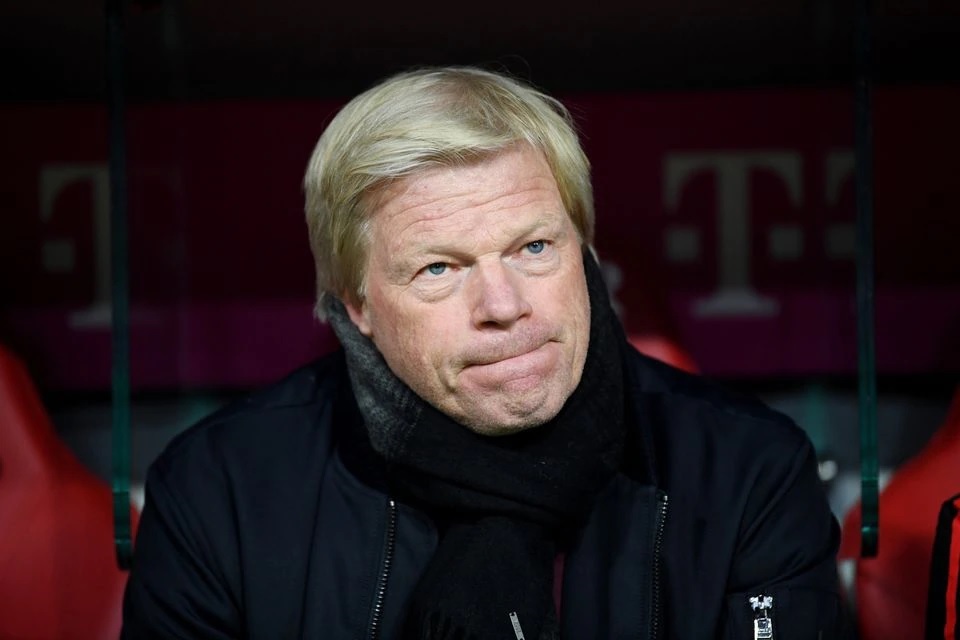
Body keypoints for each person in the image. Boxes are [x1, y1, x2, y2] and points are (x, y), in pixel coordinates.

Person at [122, 66, 844, 639]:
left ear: (586, 252)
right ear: (357, 306)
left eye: (534, 248)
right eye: (439, 268)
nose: (504, 306)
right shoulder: (219, 494)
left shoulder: (750, 473)